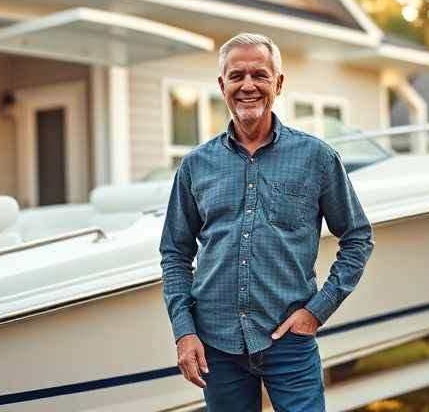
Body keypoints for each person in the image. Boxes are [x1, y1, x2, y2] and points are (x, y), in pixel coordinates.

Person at [159, 33, 373, 411]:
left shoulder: (318, 158)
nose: (248, 85)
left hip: (289, 342)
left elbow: (357, 237)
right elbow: (175, 253)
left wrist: (317, 310)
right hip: (216, 345)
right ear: (222, 85)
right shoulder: (195, 166)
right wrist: (184, 331)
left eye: (259, 74)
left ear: (278, 83)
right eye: (236, 75)